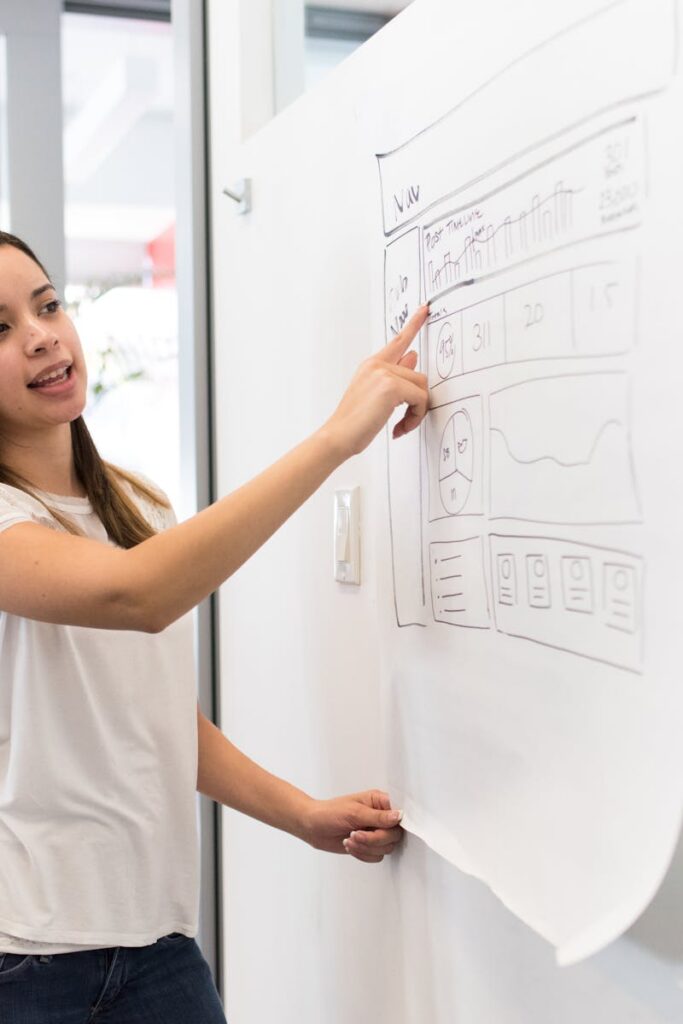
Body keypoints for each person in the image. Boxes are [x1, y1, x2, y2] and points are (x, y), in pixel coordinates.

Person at [0, 231, 429, 1022]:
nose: (41, 336)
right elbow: (140, 595)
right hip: (24, 961)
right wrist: (336, 440)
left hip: (160, 948)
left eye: (48, 304)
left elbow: (153, 720)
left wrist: (299, 814)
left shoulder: (139, 509)